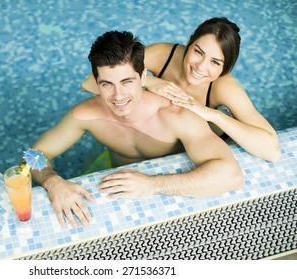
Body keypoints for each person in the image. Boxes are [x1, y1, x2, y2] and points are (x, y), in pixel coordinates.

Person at [30, 30, 243, 228]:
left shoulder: (175, 116)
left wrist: (152, 185)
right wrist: (53, 182)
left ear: (143, 78)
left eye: (127, 81)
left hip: (170, 187)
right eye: (107, 84)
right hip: (111, 174)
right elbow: (31, 156)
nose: (118, 96)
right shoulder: (86, 114)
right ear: (96, 82)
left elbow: (231, 175)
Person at [82, 17, 281, 163]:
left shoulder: (223, 87)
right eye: (198, 52)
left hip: (184, 158)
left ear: (225, 67)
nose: (201, 67)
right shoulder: (164, 56)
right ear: (189, 43)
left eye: (215, 62)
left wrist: (211, 115)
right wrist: (149, 82)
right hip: (142, 144)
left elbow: (272, 151)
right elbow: (90, 83)